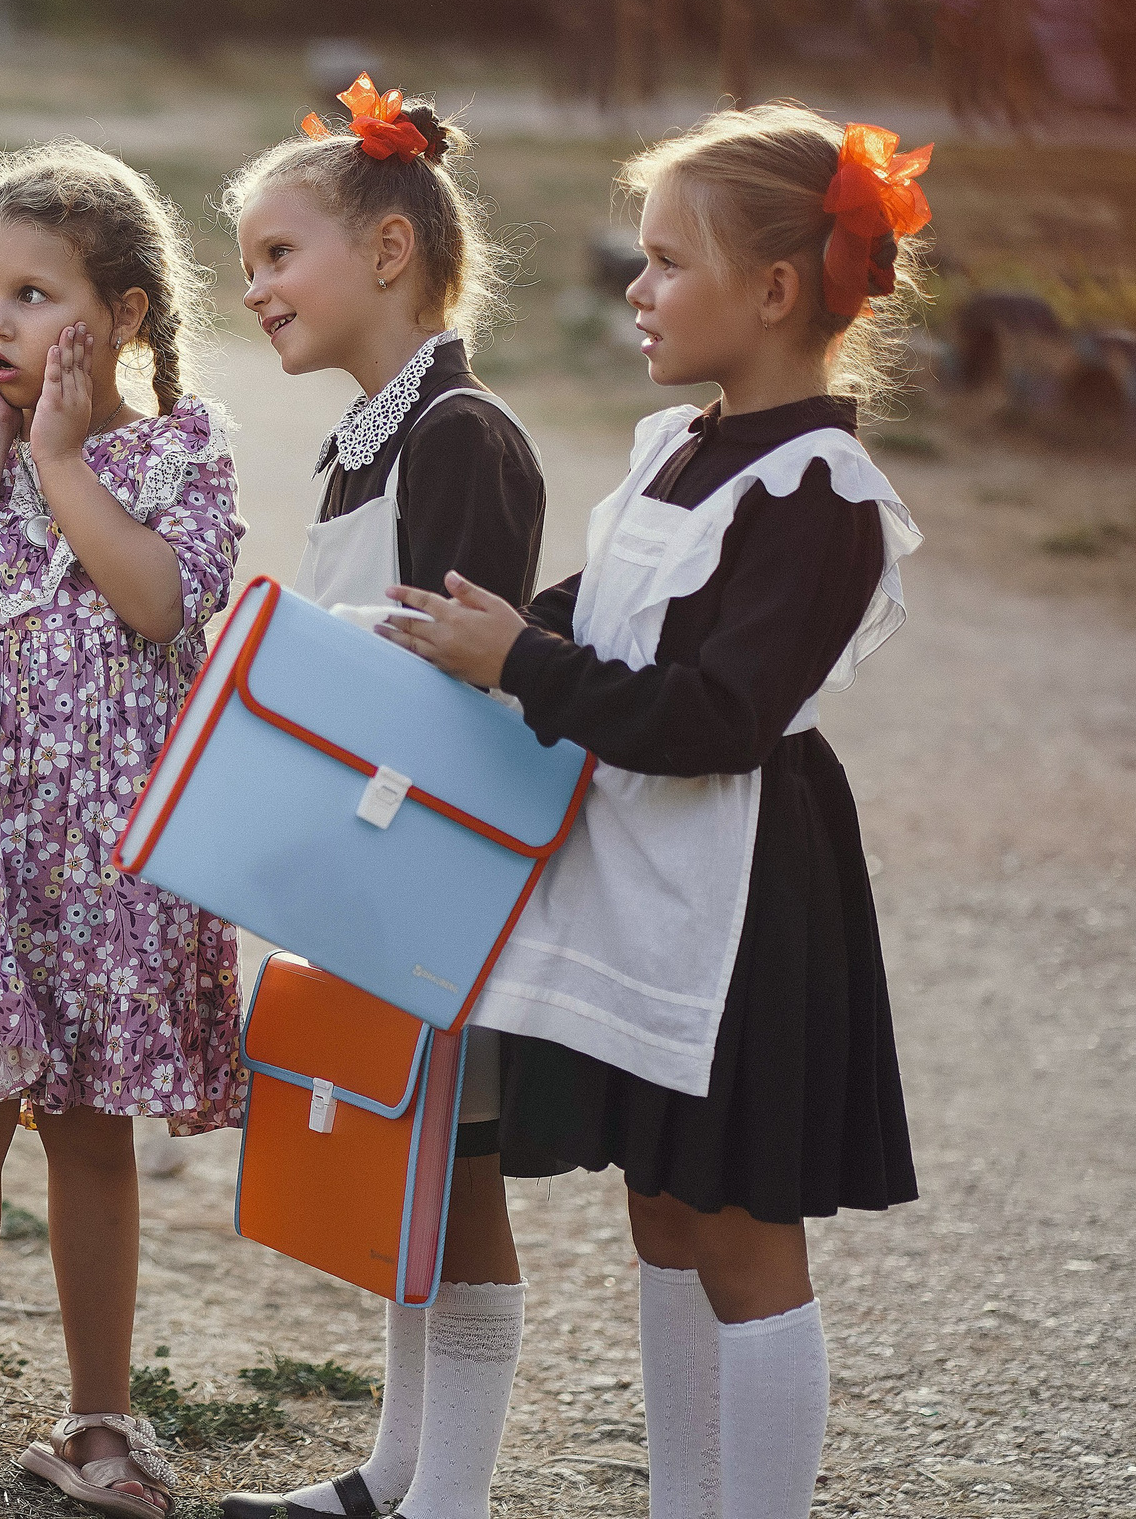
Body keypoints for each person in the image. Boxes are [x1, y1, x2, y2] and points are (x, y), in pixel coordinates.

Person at [386, 104, 930, 1519]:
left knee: (748, 1233)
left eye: (668, 261)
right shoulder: (676, 450)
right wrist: (479, 637)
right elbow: (595, 621)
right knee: (667, 1208)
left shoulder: (821, 494)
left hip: (745, 894)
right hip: (644, 880)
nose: (636, 286)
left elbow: (719, 717)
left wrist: (526, 662)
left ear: (774, 291)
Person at [0, 143, 247, 1516]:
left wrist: (62, 456)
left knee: (86, 1131)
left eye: (32, 292)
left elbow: (157, 604)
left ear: (125, 315)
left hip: (106, 869)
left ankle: (95, 1416)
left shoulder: (181, 456)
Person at [215, 74, 549, 1519]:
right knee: (403, 1175)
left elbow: (462, 685)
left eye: (278, 257)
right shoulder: (367, 436)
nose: (256, 291)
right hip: (369, 854)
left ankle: (451, 1499)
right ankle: (398, 1473)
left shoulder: (461, 436)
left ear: (392, 253)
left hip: (440, 871)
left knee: (459, 1180)